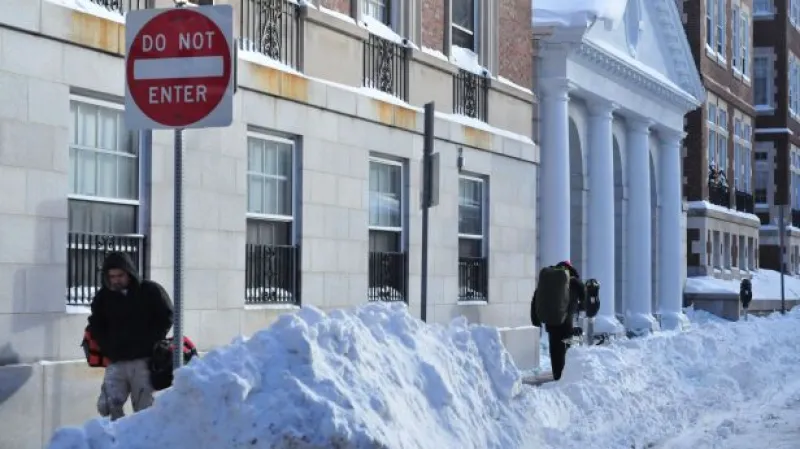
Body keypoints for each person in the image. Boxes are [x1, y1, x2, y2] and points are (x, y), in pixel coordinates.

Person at [87, 251, 174, 420]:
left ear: (130, 273)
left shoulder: (149, 290)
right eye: (112, 276)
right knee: (107, 406)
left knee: (144, 409)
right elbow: (95, 323)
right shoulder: (103, 297)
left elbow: (167, 315)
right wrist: (107, 345)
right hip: (116, 360)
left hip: (143, 361)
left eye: (120, 275)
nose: (116, 280)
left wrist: (150, 342)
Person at [530, 260, 586, 380]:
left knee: (555, 349)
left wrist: (535, 319)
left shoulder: (548, 282)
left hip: (551, 322)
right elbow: (584, 299)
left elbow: (536, 298)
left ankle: (557, 374)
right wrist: (581, 306)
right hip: (567, 322)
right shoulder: (575, 282)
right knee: (568, 347)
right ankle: (566, 376)